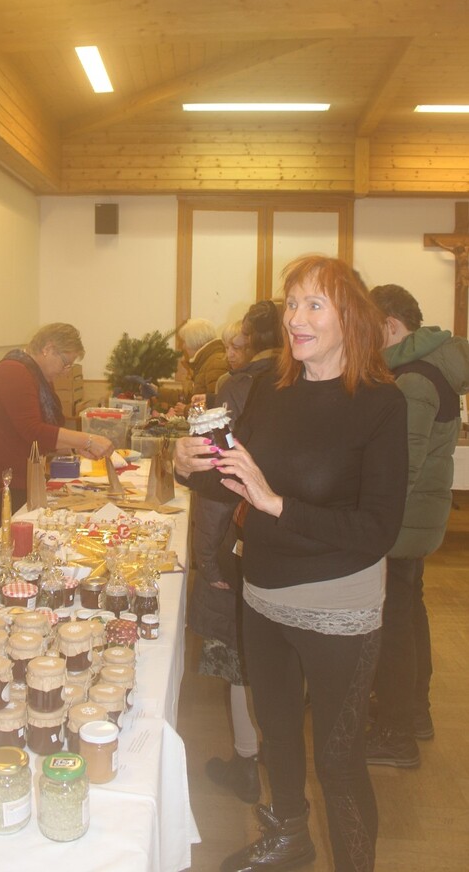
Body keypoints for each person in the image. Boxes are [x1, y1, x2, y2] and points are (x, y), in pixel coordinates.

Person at [175, 255, 408, 872]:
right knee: (276, 734)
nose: (295, 318)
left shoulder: (381, 405)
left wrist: (277, 505)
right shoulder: (273, 392)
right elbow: (238, 484)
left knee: (337, 759)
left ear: (349, 319)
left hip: (339, 608)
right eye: (292, 304)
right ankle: (289, 839)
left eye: (313, 304)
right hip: (263, 598)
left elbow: (377, 531)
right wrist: (188, 468)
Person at [365, 284, 469, 767]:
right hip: (416, 518)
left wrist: (373, 522)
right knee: (408, 613)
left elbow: (400, 468)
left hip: (402, 521)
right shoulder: (431, 366)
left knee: (394, 625)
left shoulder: (414, 379)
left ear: (390, 325)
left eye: (370, 328)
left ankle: (396, 733)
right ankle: (414, 714)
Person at [188, 299, 282, 804]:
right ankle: (272, 757)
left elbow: (215, 485)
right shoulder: (306, 383)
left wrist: (207, 559)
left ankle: (246, 762)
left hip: (238, 538)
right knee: (275, 657)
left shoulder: (238, 387)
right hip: (286, 543)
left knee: (238, 653)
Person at [0, 323, 113, 539]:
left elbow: (45, 430)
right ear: (48, 349)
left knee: (14, 545)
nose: (66, 371)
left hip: (10, 476)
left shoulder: (35, 376)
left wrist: (74, 446)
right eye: (66, 363)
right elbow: (33, 430)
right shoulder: (13, 372)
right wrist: (87, 440)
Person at [173, 318, 228, 414]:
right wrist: (158, 392)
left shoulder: (215, 363)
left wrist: (186, 410)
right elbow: (189, 396)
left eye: (184, 342)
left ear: (194, 342)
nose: (183, 346)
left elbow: (217, 405)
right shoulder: (206, 362)